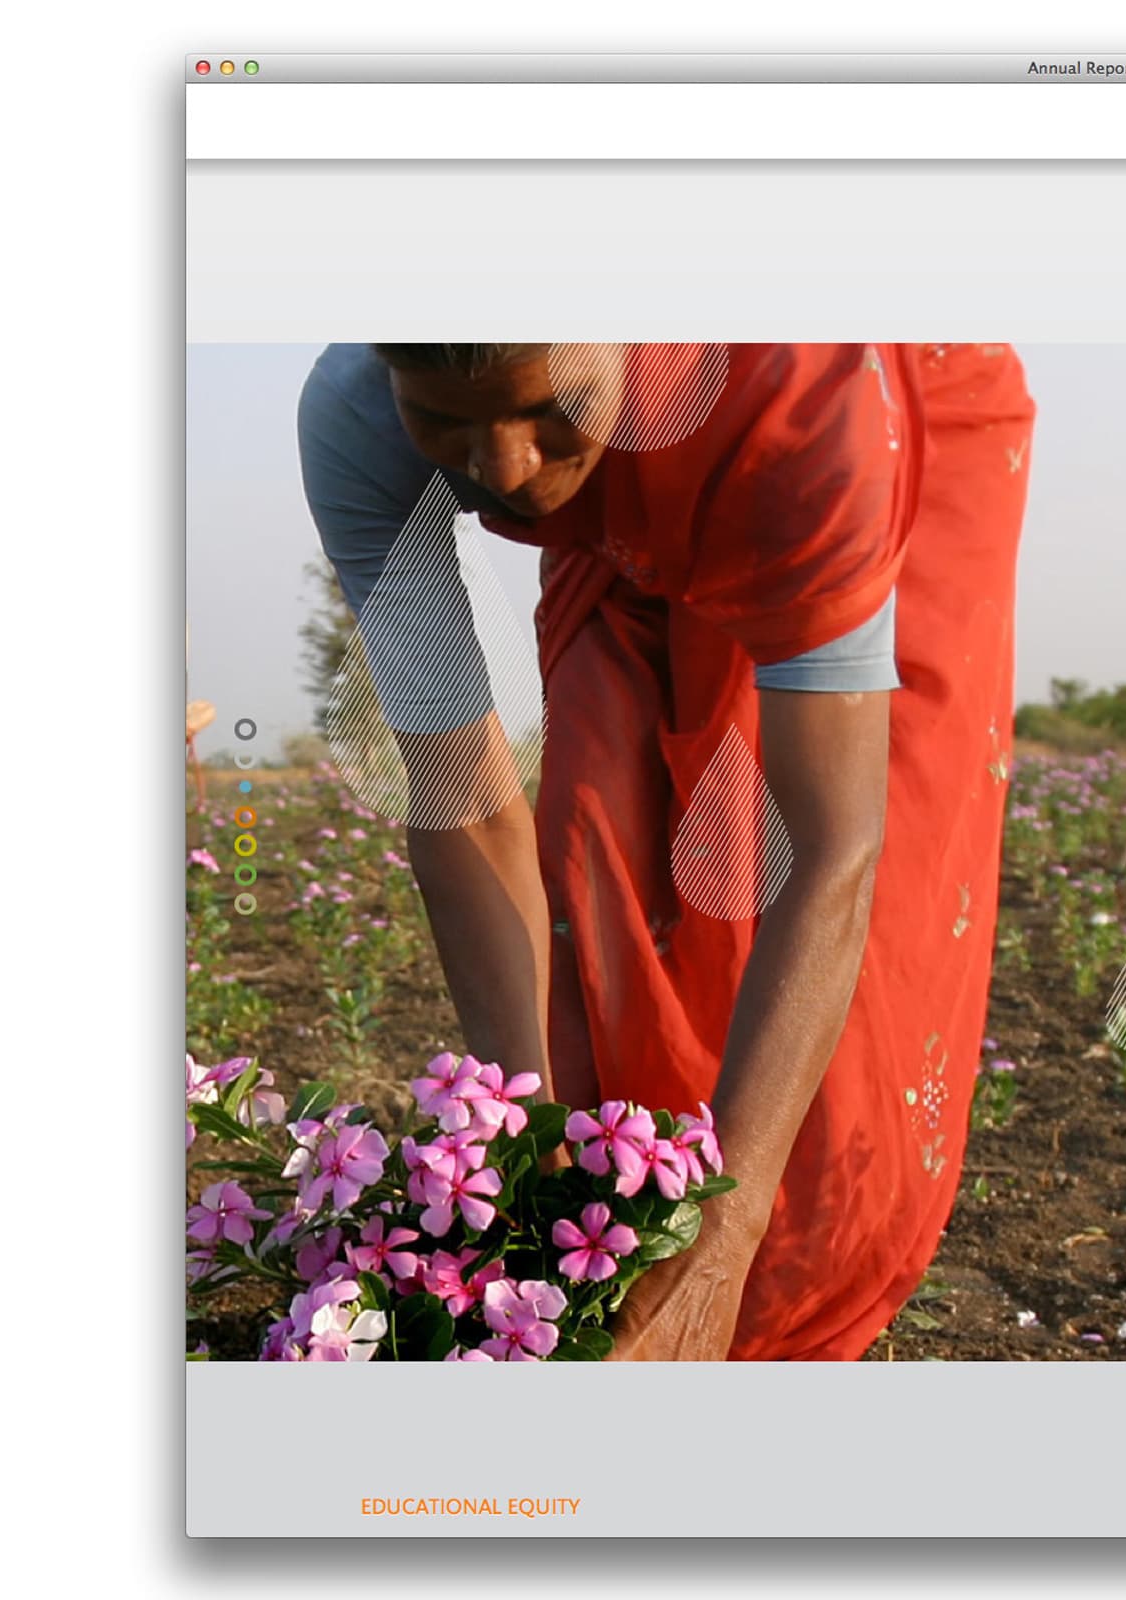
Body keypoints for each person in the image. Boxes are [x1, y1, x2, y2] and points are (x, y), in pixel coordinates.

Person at [297, 343, 1034, 1359]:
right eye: (446, 420)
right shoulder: (360, 422)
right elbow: (465, 794)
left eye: (544, 408)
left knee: (875, 905)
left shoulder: (809, 398)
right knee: (605, 840)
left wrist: (727, 1237)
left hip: (857, 417)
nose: (504, 470)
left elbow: (829, 845)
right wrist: (519, 1153)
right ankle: (620, 1239)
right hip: (636, 482)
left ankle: (778, 1306)